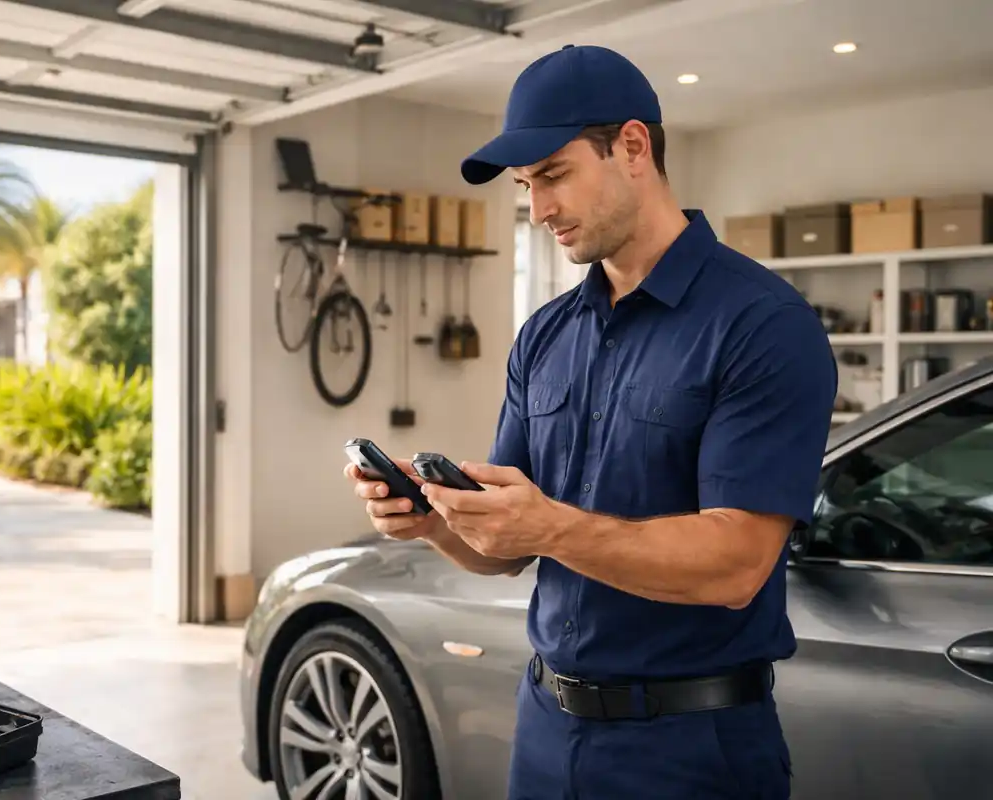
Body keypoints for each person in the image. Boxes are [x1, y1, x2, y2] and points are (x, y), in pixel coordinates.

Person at [343, 44, 838, 799]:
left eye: (553, 176)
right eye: (524, 186)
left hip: (691, 750)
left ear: (633, 147)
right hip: (545, 727)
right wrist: (438, 521)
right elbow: (506, 550)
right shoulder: (544, 335)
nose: (538, 210)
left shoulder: (761, 325)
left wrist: (549, 529)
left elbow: (738, 564)